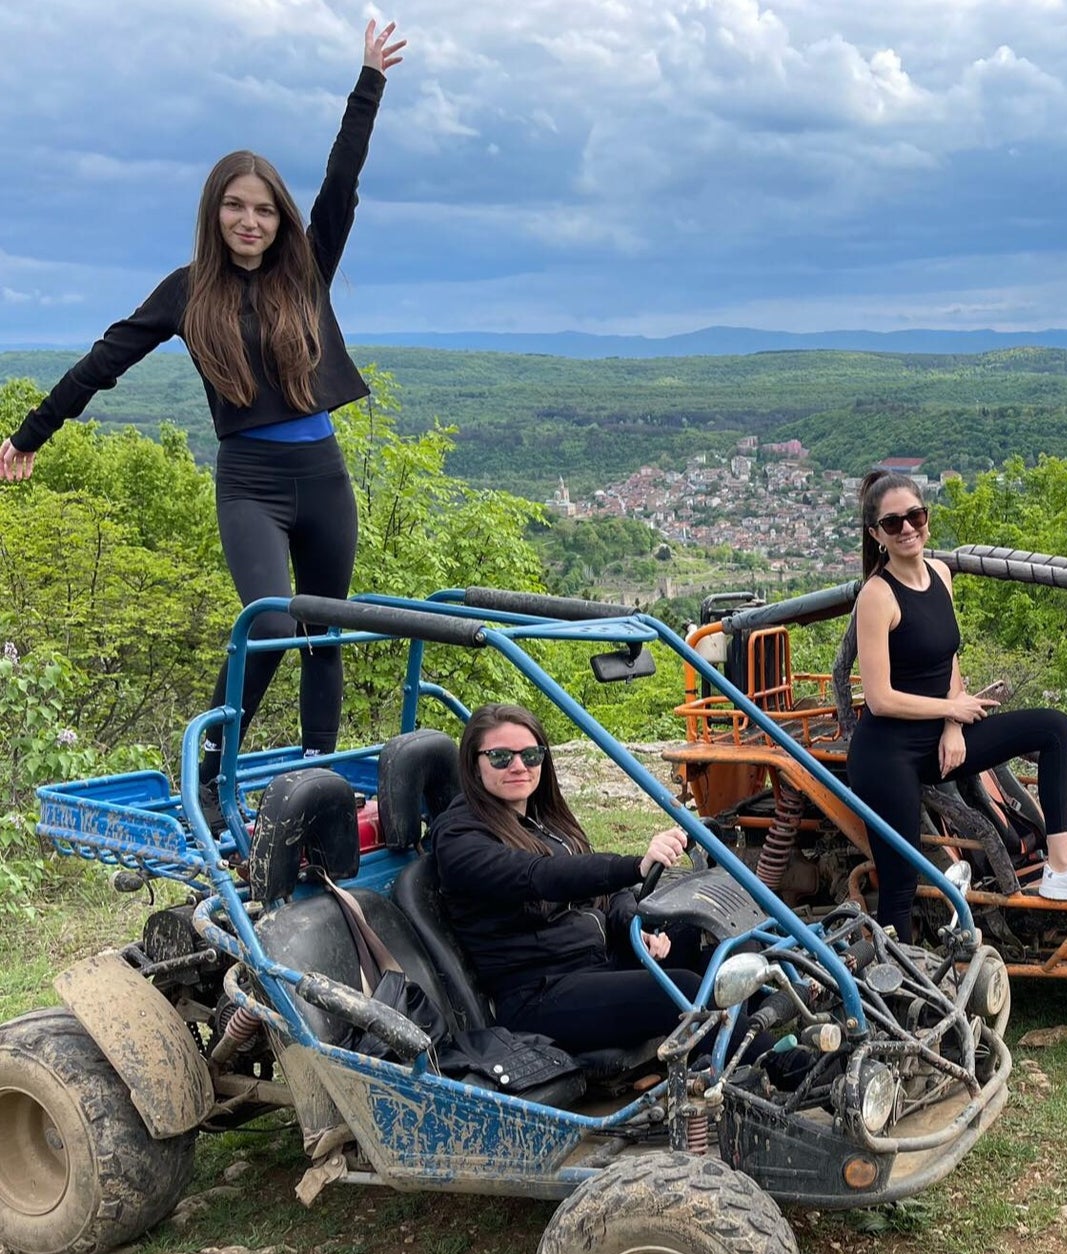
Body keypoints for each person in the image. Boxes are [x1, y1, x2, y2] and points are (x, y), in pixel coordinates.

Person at [0, 21, 407, 820]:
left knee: (323, 630)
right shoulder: (188, 290)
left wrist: (368, 82)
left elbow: (342, 178)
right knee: (269, 624)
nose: (249, 220)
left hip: (322, 475)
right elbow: (105, 359)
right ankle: (215, 778)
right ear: (215, 212)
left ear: (278, 215)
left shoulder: (307, 266)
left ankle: (318, 774)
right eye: (234, 206)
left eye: (262, 208)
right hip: (250, 481)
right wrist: (28, 435)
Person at [847, 470, 1067, 943]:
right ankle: (893, 988)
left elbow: (948, 658)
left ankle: (1062, 867)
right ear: (876, 535)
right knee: (900, 882)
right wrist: (949, 711)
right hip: (887, 753)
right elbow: (880, 698)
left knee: (1054, 728)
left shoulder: (940, 574)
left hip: (939, 732)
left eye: (915, 516)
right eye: (893, 523)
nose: (908, 529)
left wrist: (954, 723)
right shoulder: (877, 596)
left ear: (927, 518)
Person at [432, 703, 704, 1055]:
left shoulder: (546, 818)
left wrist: (634, 924)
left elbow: (606, 896)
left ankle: (755, 1045)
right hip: (538, 994)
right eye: (500, 757)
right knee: (683, 989)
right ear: (473, 764)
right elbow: (539, 876)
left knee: (709, 941)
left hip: (595, 961)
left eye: (530, 755)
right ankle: (777, 1070)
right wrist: (634, 866)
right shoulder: (459, 838)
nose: (519, 766)